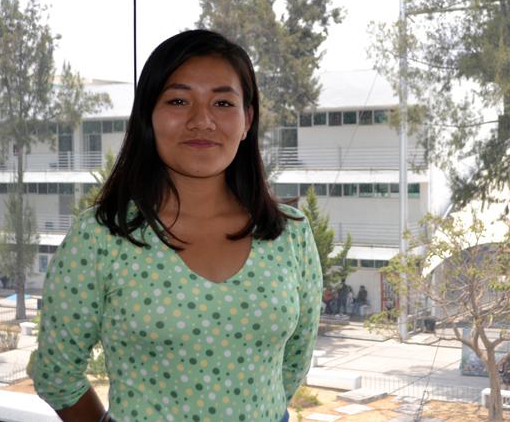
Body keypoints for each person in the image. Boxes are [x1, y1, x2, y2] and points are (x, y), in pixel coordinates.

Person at [30, 29, 323, 422]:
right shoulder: (100, 238)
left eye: (222, 102)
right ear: (149, 115)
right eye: (179, 100)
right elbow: (56, 374)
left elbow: (293, 366)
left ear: (247, 119)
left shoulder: (291, 233)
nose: (201, 120)